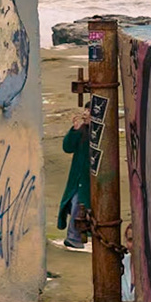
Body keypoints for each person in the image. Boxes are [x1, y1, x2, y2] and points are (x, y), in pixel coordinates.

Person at [57, 107, 92, 251]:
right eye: (85, 110)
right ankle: (74, 237)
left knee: (81, 204)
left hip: (91, 179)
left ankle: (75, 237)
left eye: (89, 111)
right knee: (75, 203)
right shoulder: (82, 131)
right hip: (78, 178)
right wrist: (74, 130)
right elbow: (67, 147)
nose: (85, 113)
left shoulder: (100, 133)